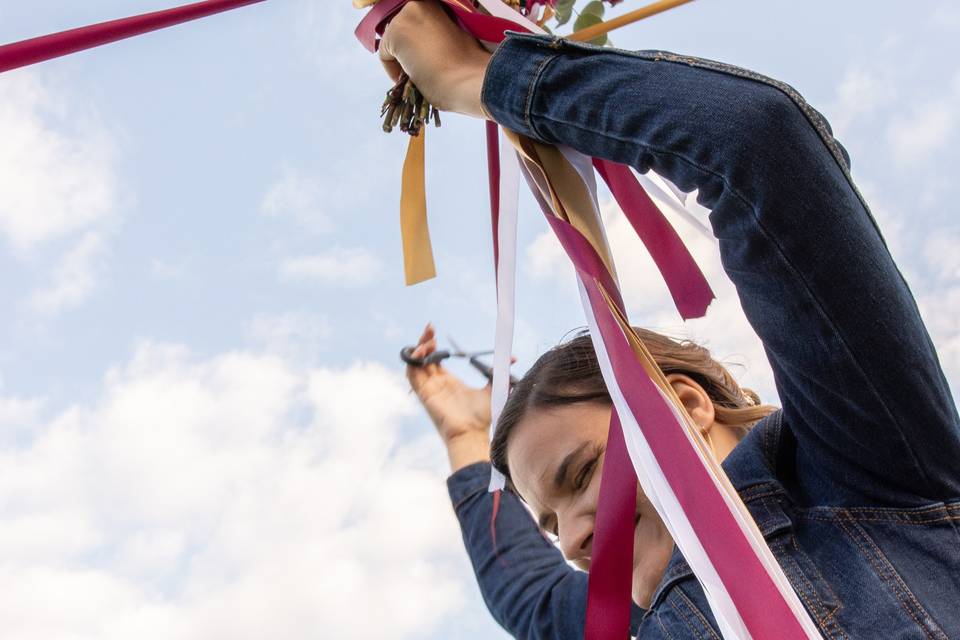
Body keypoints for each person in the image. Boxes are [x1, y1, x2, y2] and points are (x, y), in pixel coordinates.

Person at [386, 2, 960, 638]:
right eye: (551, 526)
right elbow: (524, 596)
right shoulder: (628, 614)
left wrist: (486, 80)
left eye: (580, 476)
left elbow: (755, 143)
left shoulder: (858, 465)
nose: (574, 538)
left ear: (686, 403)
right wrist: (464, 435)